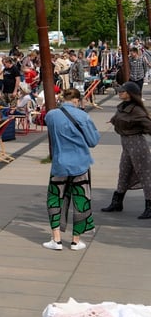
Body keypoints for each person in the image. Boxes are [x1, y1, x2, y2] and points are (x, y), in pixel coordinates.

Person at [42, 88, 100, 251]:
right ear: (77, 100)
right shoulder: (83, 116)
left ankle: (56, 239)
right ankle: (76, 240)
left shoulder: (52, 115)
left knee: (55, 198)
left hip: (60, 164)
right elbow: (93, 141)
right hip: (80, 163)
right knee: (80, 199)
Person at [101, 81, 151, 219]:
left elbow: (148, 125)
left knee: (145, 175)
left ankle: (149, 206)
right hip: (126, 144)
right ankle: (117, 202)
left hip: (137, 143)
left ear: (129, 94)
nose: (119, 93)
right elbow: (119, 118)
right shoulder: (122, 106)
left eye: (122, 91)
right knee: (124, 172)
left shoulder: (137, 110)